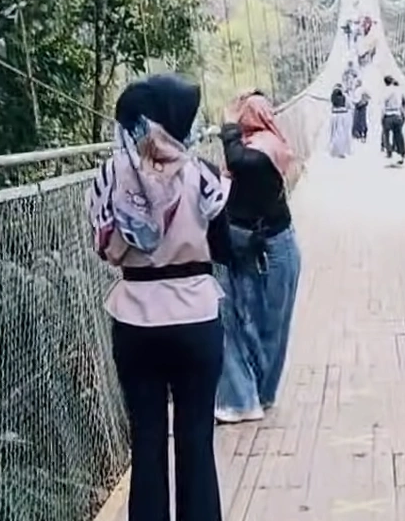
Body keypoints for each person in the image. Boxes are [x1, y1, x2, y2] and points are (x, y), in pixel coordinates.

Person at [84, 73, 229, 521]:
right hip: (196, 317)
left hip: (135, 320)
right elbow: (224, 247)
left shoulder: (111, 175)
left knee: (146, 442)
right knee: (195, 442)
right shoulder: (201, 173)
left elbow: (104, 247)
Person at [214, 91, 303, 423]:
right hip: (248, 248)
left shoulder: (265, 148)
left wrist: (227, 128)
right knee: (237, 320)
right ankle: (247, 398)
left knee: (267, 326)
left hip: (270, 250)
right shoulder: (260, 144)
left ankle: (252, 397)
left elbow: (240, 162)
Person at [380, 75, 405, 165]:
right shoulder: (399, 90)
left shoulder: (386, 91)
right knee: (399, 135)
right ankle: (401, 153)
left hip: (388, 115)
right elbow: (402, 104)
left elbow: (383, 104)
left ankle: (389, 152)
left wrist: (382, 116)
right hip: (397, 115)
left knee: (386, 134)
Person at [329, 83, 352, 158]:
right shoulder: (345, 96)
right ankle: (342, 151)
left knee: (335, 133)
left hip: (335, 115)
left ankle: (334, 150)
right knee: (343, 134)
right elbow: (349, 105)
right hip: (343, 115)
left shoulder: (332, 96)